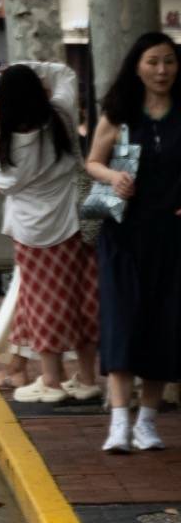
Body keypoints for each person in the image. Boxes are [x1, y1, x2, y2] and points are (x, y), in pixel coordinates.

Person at [85, 30, 181, 454]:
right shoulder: (120, 113)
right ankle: (119, 423)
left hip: (171, 237)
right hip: (122, 234)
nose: (161, 70)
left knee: (164, 323)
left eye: (169, 62)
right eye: (152, 62)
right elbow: (92, 161)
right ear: (137, 67)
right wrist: (113, 177)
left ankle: (147, 422)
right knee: (122, 320)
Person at [0, 61, 100, 404]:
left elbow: (4, 182)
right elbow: (66, 74)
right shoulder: (61, 114)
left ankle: (51, 380)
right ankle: (87, 378)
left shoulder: (15, 144)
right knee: (82, 299)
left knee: (43, 303)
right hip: (77, 223)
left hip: (35, 233)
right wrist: (28, 66)